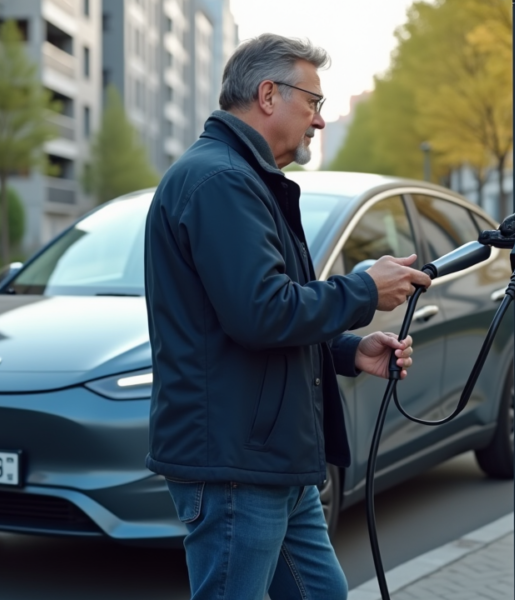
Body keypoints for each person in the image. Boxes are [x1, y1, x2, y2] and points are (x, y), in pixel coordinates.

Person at [143, 33, 432, 600]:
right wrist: (364, 289)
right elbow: (261, 314)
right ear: (268, 94)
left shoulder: (243, 179)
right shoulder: (222, 181)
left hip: (271, 460)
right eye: (314, 102)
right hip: (236, 465)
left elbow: (267, 310)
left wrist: (349, 350)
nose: (319, 121)